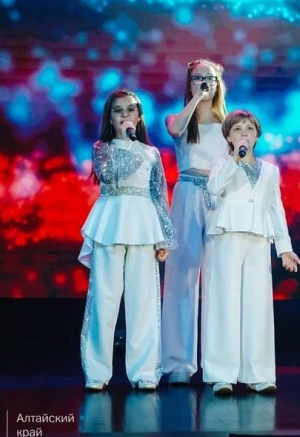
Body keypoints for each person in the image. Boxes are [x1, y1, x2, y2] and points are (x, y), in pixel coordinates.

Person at [79, 88, 176, 391]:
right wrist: (123, 139)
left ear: (139, 115)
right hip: (111, 223)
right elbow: (111, 176)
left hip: (143, 226)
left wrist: (164, 238)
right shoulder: (102, 148)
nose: (125, 115)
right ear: (110, 117)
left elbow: (159, 195)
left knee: (143, 302)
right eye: (118, 111)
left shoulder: (151, 153)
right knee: (104, 300)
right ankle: (97, 373)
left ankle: (144, 372)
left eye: (130, 110)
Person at [202, 109, 300, 395]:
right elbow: (213, 189)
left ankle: (257, 373)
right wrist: (235, 159)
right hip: (227, 236)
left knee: (257, 307)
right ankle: (222, 374)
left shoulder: (269, 170)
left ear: (257, 135)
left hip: (258, 238)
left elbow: (275, 209)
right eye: (237, 129)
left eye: (249, 129)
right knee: (225, 304)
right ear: (228, 137)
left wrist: (284, 248)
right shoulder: (222, 163)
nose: (244, 133)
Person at [161, 58, 228, 384]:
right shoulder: (178, 119)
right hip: (187, 192)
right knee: (182, 277)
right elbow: (175, 130)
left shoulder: (229, 123)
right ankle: (178, 364)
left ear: (219, 84)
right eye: (198, 78)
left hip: (219, 198)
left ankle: (219, 366)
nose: (205, 82)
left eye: (210, 78)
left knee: (219, 280)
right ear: (188, 83)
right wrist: (197, 99)